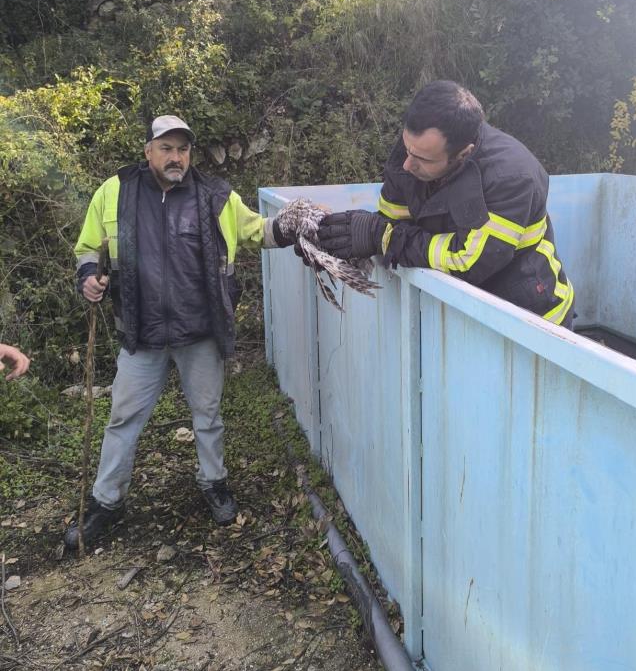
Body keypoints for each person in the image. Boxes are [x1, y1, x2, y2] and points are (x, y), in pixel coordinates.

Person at [64, 115, 297, 549]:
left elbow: (256, 230)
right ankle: (106, 503)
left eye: (183, 149)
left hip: (200, 332)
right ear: (148, 151)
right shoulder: (114, 192)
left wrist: (296, 227)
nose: (176, 157)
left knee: (207, 416)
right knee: (122, 418)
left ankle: (214, 483)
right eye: (167, 148)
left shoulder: (214, 195)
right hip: (140, 333)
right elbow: (86, 248)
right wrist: (88, 277)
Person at [317, 81, 574, 328]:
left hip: (531, 323)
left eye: (421, 159)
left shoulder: (512, 178)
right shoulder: (416, 150)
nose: (407, 164)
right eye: (408, 150)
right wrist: (350, 240)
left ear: (463, 153)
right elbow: (391, 222)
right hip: (458, 317)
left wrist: (385, 239)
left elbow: (468, 262)